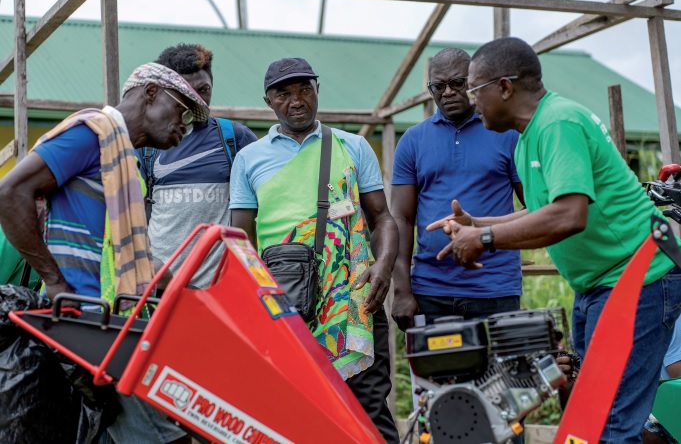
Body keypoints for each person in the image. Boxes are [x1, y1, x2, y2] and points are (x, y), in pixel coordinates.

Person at [427, 37, 681, 443]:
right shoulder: (532, 134)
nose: (471, 102)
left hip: (636, 281)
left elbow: (569, 216)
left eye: (475, 90)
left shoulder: (559, 123)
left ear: (505, 87)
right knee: (588, 412)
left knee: (609, 423)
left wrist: (485, 238)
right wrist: (478, 223)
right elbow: (543, 208)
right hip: (600, 285)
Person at [0, 62, 210, 444]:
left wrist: (192, 288)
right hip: (82, 325)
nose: (185, 125)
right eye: (181, 110)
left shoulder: (125, 164)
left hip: (111, 322)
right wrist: (54, 280)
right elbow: (10, 192)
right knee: (165, 436)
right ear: (150, 93)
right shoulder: (91, 135)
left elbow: (124, 253)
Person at [230, 57, 400, 443]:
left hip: (355, 302)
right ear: (268, 101)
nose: (297, 101)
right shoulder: (249, 159)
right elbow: (241, 241)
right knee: (294, 412)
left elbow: (383, 219)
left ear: (318, 90)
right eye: (284, 94)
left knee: (369, 409)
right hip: (286, 307)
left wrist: (384, 268)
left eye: (305, 89)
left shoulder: (352, 147)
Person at [391, 47, 523, 332]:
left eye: (457, 83)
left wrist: (488, 232)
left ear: (473, 81)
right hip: (430, 290)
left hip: (495, 289)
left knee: (504, 376)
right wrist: (402, 290)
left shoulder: (507, 134)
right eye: (438, 86)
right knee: (436, 377)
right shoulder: (412, 141)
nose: (448, 92)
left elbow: (536, 206)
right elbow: (401, 219)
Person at [142, 43, 257, 289]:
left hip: (219, 290)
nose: (197, 99)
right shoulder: (148, 145)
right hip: (160, 288)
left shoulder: (235, 137)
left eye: (204, 89)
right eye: (185, 90)